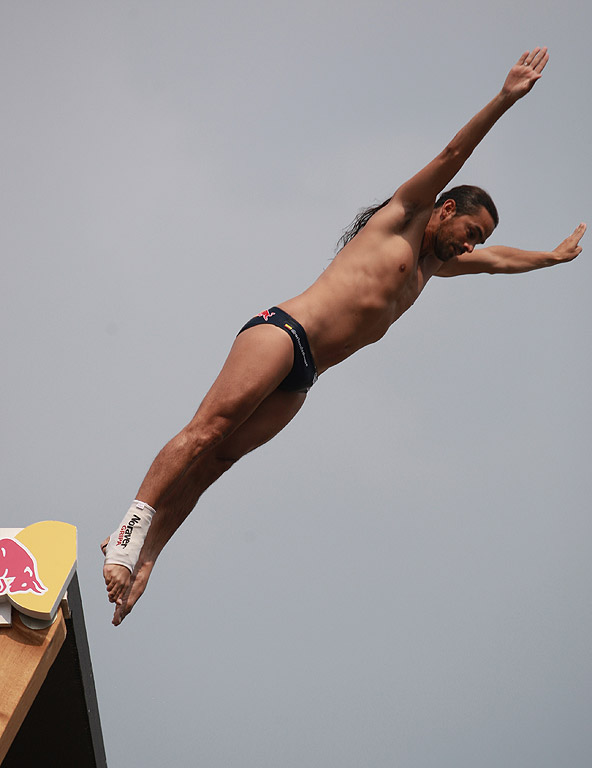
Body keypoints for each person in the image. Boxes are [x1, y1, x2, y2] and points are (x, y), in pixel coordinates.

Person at [102, 47, 585, 626]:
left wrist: (550, 259)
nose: (470, 245)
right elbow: (454, 152)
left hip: (303, 379)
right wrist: (506, 97)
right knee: (206, 431)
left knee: (217, 463)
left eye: (476, 241)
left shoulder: (436, 265)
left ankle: (146, 559)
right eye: (469, 231)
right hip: (284, 333)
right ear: (447, 207)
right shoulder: (403, 215)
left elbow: (499, 262)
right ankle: (128, 530)